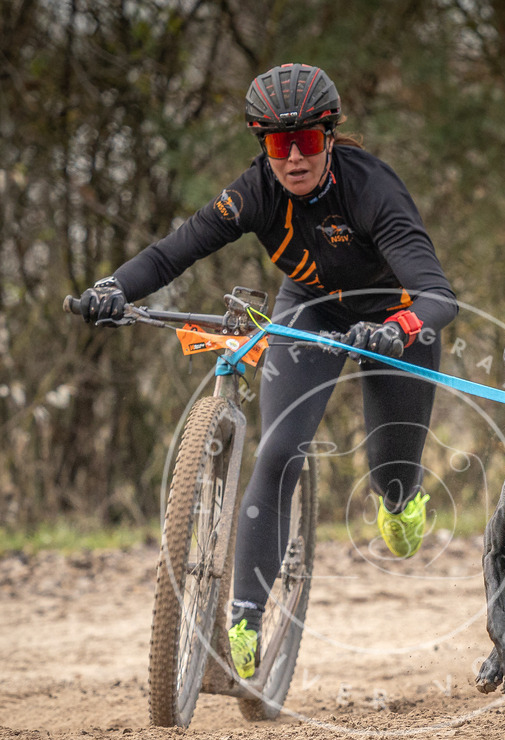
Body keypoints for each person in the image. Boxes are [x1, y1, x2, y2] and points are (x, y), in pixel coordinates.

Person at [79, 62, 458, 679]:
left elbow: (439, 296)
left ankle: (399, 499)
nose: (294, 158)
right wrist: (112, 287)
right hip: (307, 314)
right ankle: (246, 615)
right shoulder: (254, 191)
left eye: (307, 141)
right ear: (264, 147)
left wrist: (397, 329)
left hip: (393, 322)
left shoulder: (373, 190)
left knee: (391, 475)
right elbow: (175, 250)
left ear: (329, 138)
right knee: (279, 449)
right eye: (280, 145)